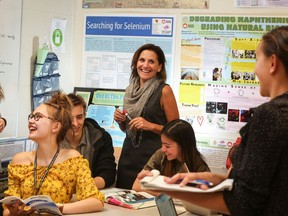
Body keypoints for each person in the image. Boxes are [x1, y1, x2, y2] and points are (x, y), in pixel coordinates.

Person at [145, 26, 288, 215]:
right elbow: (271, 182)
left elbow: (244, 203)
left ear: (272, 63)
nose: (254, 69)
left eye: (256, 59)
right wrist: (216, 180)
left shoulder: (270, 115)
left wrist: (166, 187)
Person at [2, 91, 104, 215]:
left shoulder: (72, 160)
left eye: (38, 117)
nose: (31, 121)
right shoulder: (19, 161)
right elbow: (7, 210)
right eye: (31, 116)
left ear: (55, 126)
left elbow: (96, 201)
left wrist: (59, 208)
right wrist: (12, 213)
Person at [114, 43, 179, 189]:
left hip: (153, 159)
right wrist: (121, 120)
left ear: (159, 67)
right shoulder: (130, 90)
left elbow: (177, 131)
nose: (145, 65)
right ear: (136, 63)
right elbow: (128, 129)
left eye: (151, 61)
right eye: (142, 60)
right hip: (128, 157)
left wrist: (151, 126)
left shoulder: (164, 90)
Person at [132, 119, 210, 195]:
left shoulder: (200, 168)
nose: (163, 149)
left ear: (183, 145)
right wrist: (167, 195)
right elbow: (136, 186)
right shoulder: (161, 155)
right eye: (162, 144)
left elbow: (206, 198)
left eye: (167, 146)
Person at [62, 93, 116, 189]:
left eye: (79, 117)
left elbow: (108, 174)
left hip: (90, 193)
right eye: (69, 118)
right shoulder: (51, 139)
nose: (75, 123)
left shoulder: (101, 138)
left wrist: (84, 186)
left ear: (85, 115)